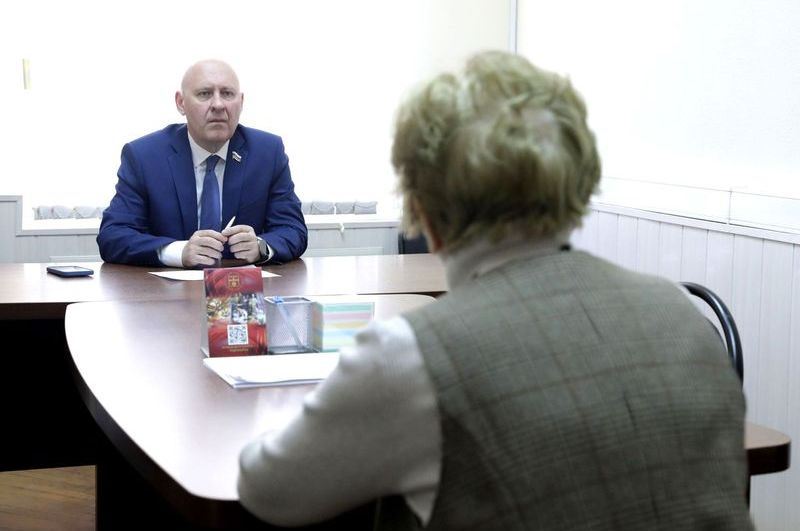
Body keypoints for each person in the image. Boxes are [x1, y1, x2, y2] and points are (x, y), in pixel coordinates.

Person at [237, 51, 753, 530]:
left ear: (422, 209)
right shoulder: (683, 317)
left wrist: (272, 414)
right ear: (578, 181)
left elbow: (268, 492)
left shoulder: (410, 356)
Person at [97, 59, 307, 267]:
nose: (218, 105)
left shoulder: (267, 153)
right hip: (167, 287)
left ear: (241, 102)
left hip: (240, 286)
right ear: (181, 103)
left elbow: (293, 229)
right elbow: (113, 235)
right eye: (204, 94)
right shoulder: (144, 156)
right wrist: (179, 252)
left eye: (227, 94)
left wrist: (261, 246)